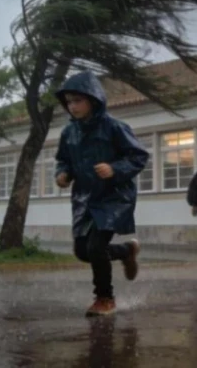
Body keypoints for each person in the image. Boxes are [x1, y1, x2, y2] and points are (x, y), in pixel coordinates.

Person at [54, 71, 149, 317]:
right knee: (83, 251)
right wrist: (63, 174)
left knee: (96, 247)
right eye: (69, 102)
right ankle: (127, 251)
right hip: (85, 197)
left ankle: (105, 299)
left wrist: (114, 168)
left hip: (113, 196)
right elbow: (63, 160)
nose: (72, 106)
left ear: (93, 99)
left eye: (78, 100)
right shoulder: (69, 133)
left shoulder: (114, 127)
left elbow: (138, 156)